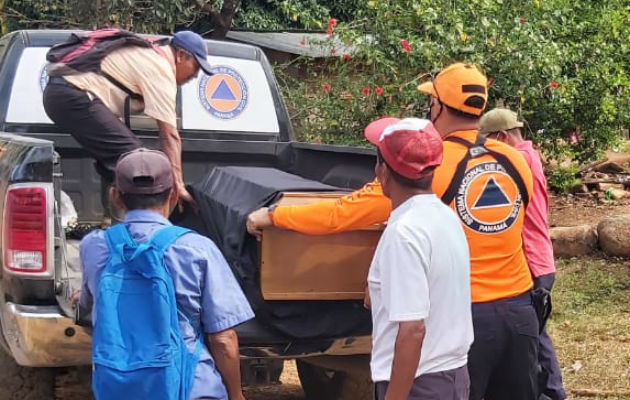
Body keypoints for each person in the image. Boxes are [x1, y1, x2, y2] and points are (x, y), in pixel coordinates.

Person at [247, 63, 539, 400]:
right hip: (520, 310)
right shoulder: (516, 160)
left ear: (438, 107)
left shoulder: (428, 166)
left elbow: (341, 214)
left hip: (463, 320)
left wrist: (275, 215)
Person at [77, 148, 254, 400]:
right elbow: (223, 339)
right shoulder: (197, 248)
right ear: (173, 196)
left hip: (118, 389)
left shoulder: (94, 246)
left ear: (115, 196)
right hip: (190, 387)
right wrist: (236, 395)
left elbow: (88, 305)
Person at [43, 30, 212, 214]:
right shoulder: (160, 67)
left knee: (119, 161)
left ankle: (114, 222)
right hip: (73, 94)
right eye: (196, 66)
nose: (195, 76)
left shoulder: (150, 53)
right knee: (139, 162)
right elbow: (169, 135)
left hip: (62, 93)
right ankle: (141, 227)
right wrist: (178, 184)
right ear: (180, 55)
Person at [365, 117, 473, 400]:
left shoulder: (404, 232)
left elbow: (412, 330)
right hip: (450, 376)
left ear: (383, 172)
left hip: (418, 384)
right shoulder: (445, 217)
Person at [480, 108, 566, 400]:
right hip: (540, 257)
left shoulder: (520, 160)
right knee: (534, 334)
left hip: (532, 260)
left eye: (489, 141)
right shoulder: (529, 156)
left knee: (534, 337)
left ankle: (553, 393)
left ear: (502, 137)